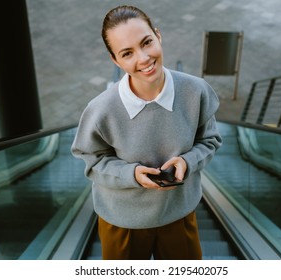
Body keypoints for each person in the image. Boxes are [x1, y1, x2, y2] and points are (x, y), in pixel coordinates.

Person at [71, 5, 222, 260]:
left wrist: (188, 161)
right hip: (121, 221)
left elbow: (210, 140)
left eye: (147, 42)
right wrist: (131, 174)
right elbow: (92, 161)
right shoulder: (100, 110)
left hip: (179, 213)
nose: (143, 59)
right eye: (127, 53)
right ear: (115, 60)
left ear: (158, 35)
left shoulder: (196, 91)